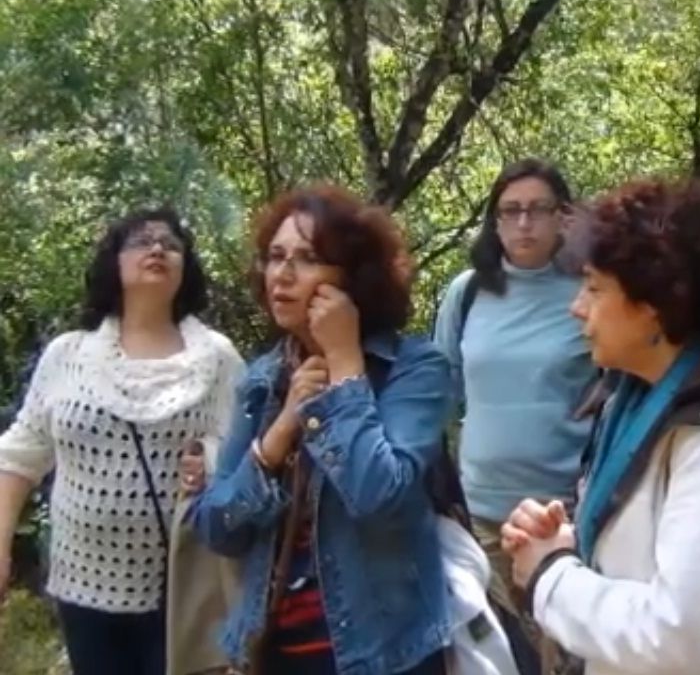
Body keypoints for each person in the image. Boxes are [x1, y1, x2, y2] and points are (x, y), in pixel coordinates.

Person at [500, 180, 700, 675]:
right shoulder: (634, 400)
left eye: (594, 287)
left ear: (654, 301)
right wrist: (565, 538)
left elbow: (678, 638)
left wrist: (552, 574)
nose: (577, 307)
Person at [189, 186, 454, 675]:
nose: (283, 276)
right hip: (275, 650)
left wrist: (346, 367)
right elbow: (216, 529)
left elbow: (378, 493)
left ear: (352, 279)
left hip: (384, 655)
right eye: (275, 257)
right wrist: (278, 436)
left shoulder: (413, 369)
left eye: (308, 258)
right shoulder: (263, 380)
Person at [0, 209, 243, 675]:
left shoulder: (217, 357)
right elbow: (21, 453)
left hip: (181, 592)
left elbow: (244, 454)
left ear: (185, 267)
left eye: (171, 244)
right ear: (113, 263)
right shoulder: (68, 355)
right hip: (82, 589)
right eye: (141, 241)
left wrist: (209, 463)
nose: (157, 249)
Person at [431, 158, 595, 669]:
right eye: (510, 211)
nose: (523, 224)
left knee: (565, 658)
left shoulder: (590, 290)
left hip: (563, 518)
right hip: (481, 516)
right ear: (494, 221)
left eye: (538, 210)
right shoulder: (470, 291)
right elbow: (440, 393)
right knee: (495, 660)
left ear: (564, 217)